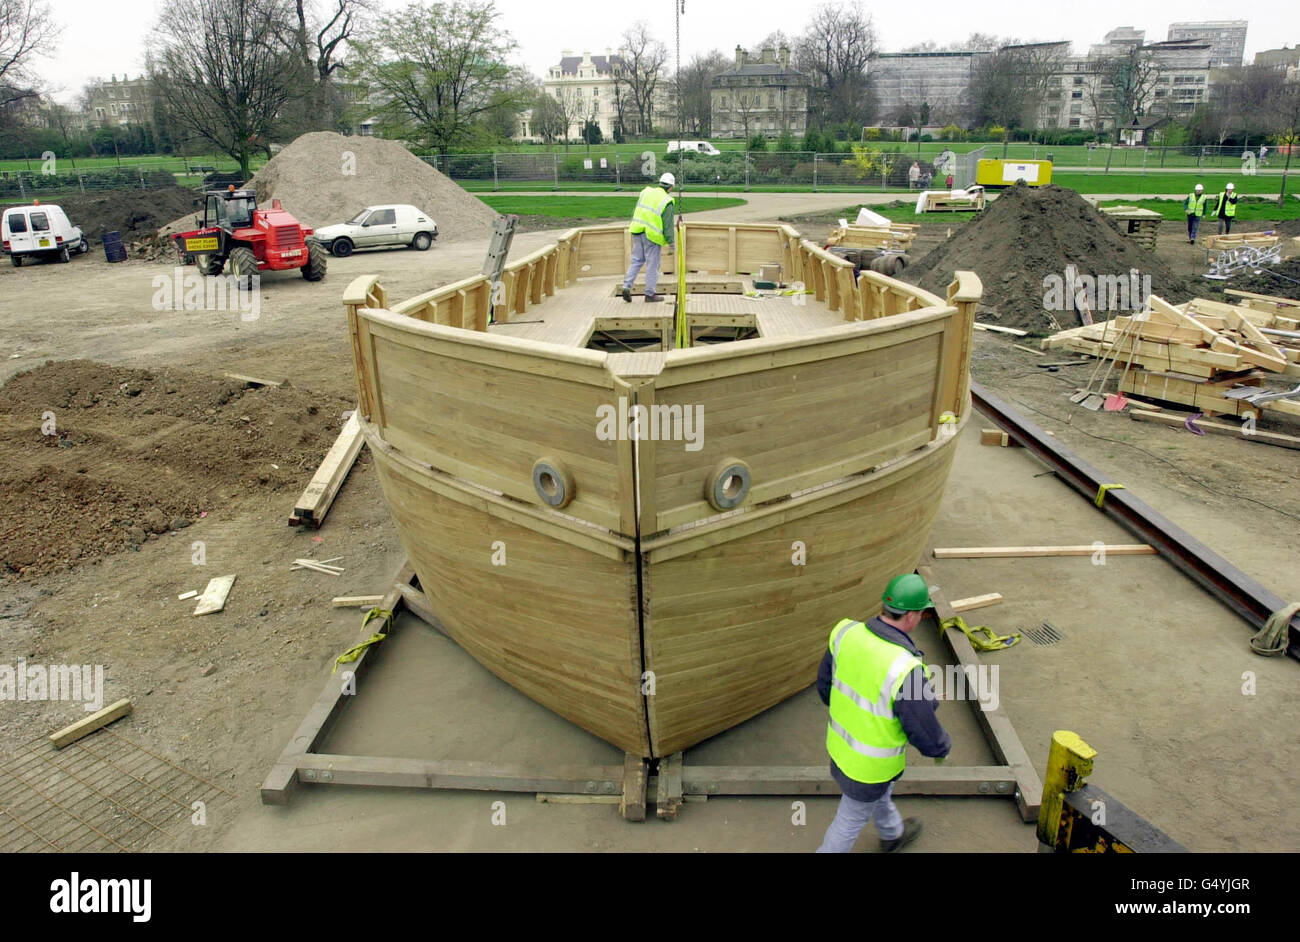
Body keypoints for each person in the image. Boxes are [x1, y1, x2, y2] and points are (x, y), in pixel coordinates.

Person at [815, 573, 951, 853]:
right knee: (849, 820)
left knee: (878, 796)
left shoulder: (846, 633)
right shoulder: (905, 668)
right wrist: (940, 748)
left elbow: (825, 687)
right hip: (869, 769)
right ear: (912, 616)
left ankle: (892, 835)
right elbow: (923, 730)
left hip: (840, 750)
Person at [622, 172, 676, 304]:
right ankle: (650, 294)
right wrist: (671, 243)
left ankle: (626, 286)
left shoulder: (646, 192)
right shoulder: (666, 200)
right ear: (671, 187)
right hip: (651, 236)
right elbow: (668, 225)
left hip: (637, 230)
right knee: (653, 265)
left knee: (636, 261)